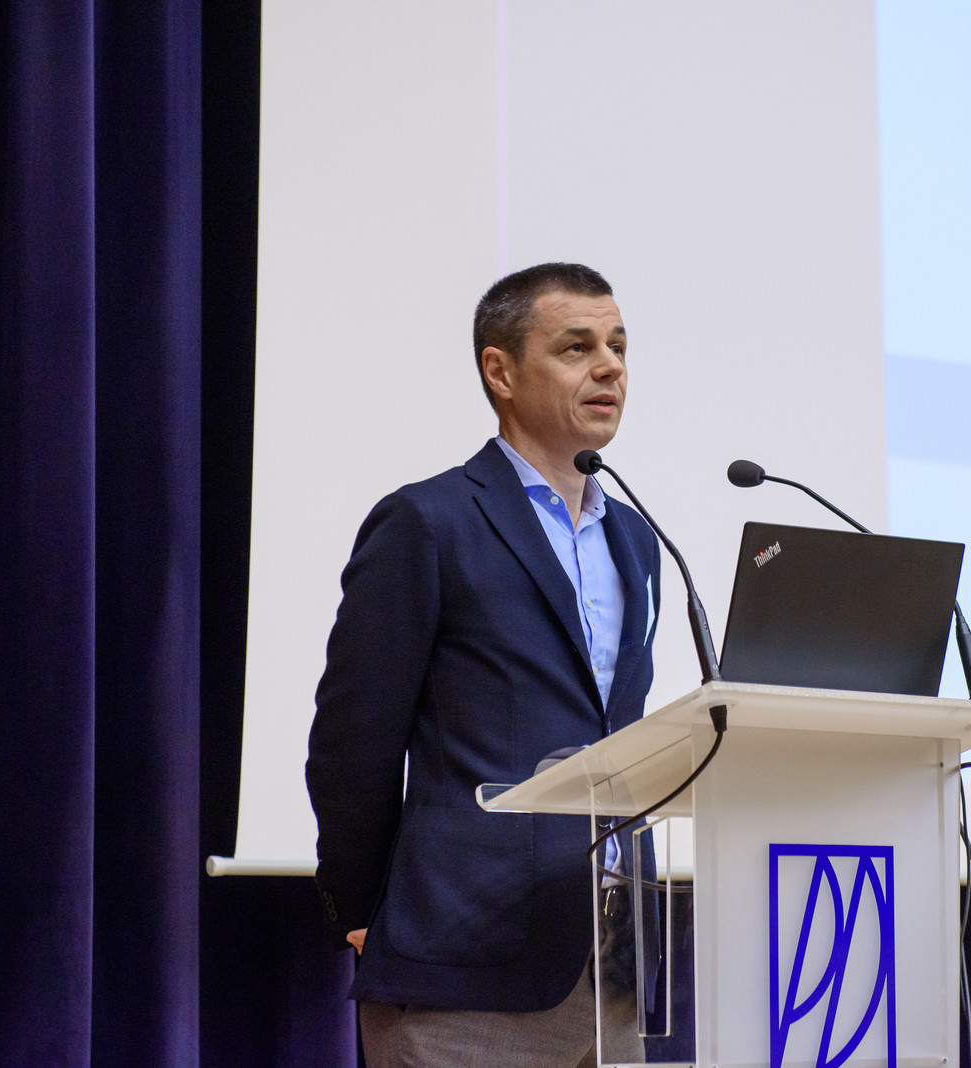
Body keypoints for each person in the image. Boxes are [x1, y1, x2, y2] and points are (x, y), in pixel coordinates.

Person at [306, 263, 662, 1067]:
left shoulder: (637, 541)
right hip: (462, 969)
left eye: (618, 346)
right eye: (576, 347)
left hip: (610, 972)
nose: (609, 367)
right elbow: (354, 738)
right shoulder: (429, 522)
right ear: (499, 372)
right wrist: (359, 907)